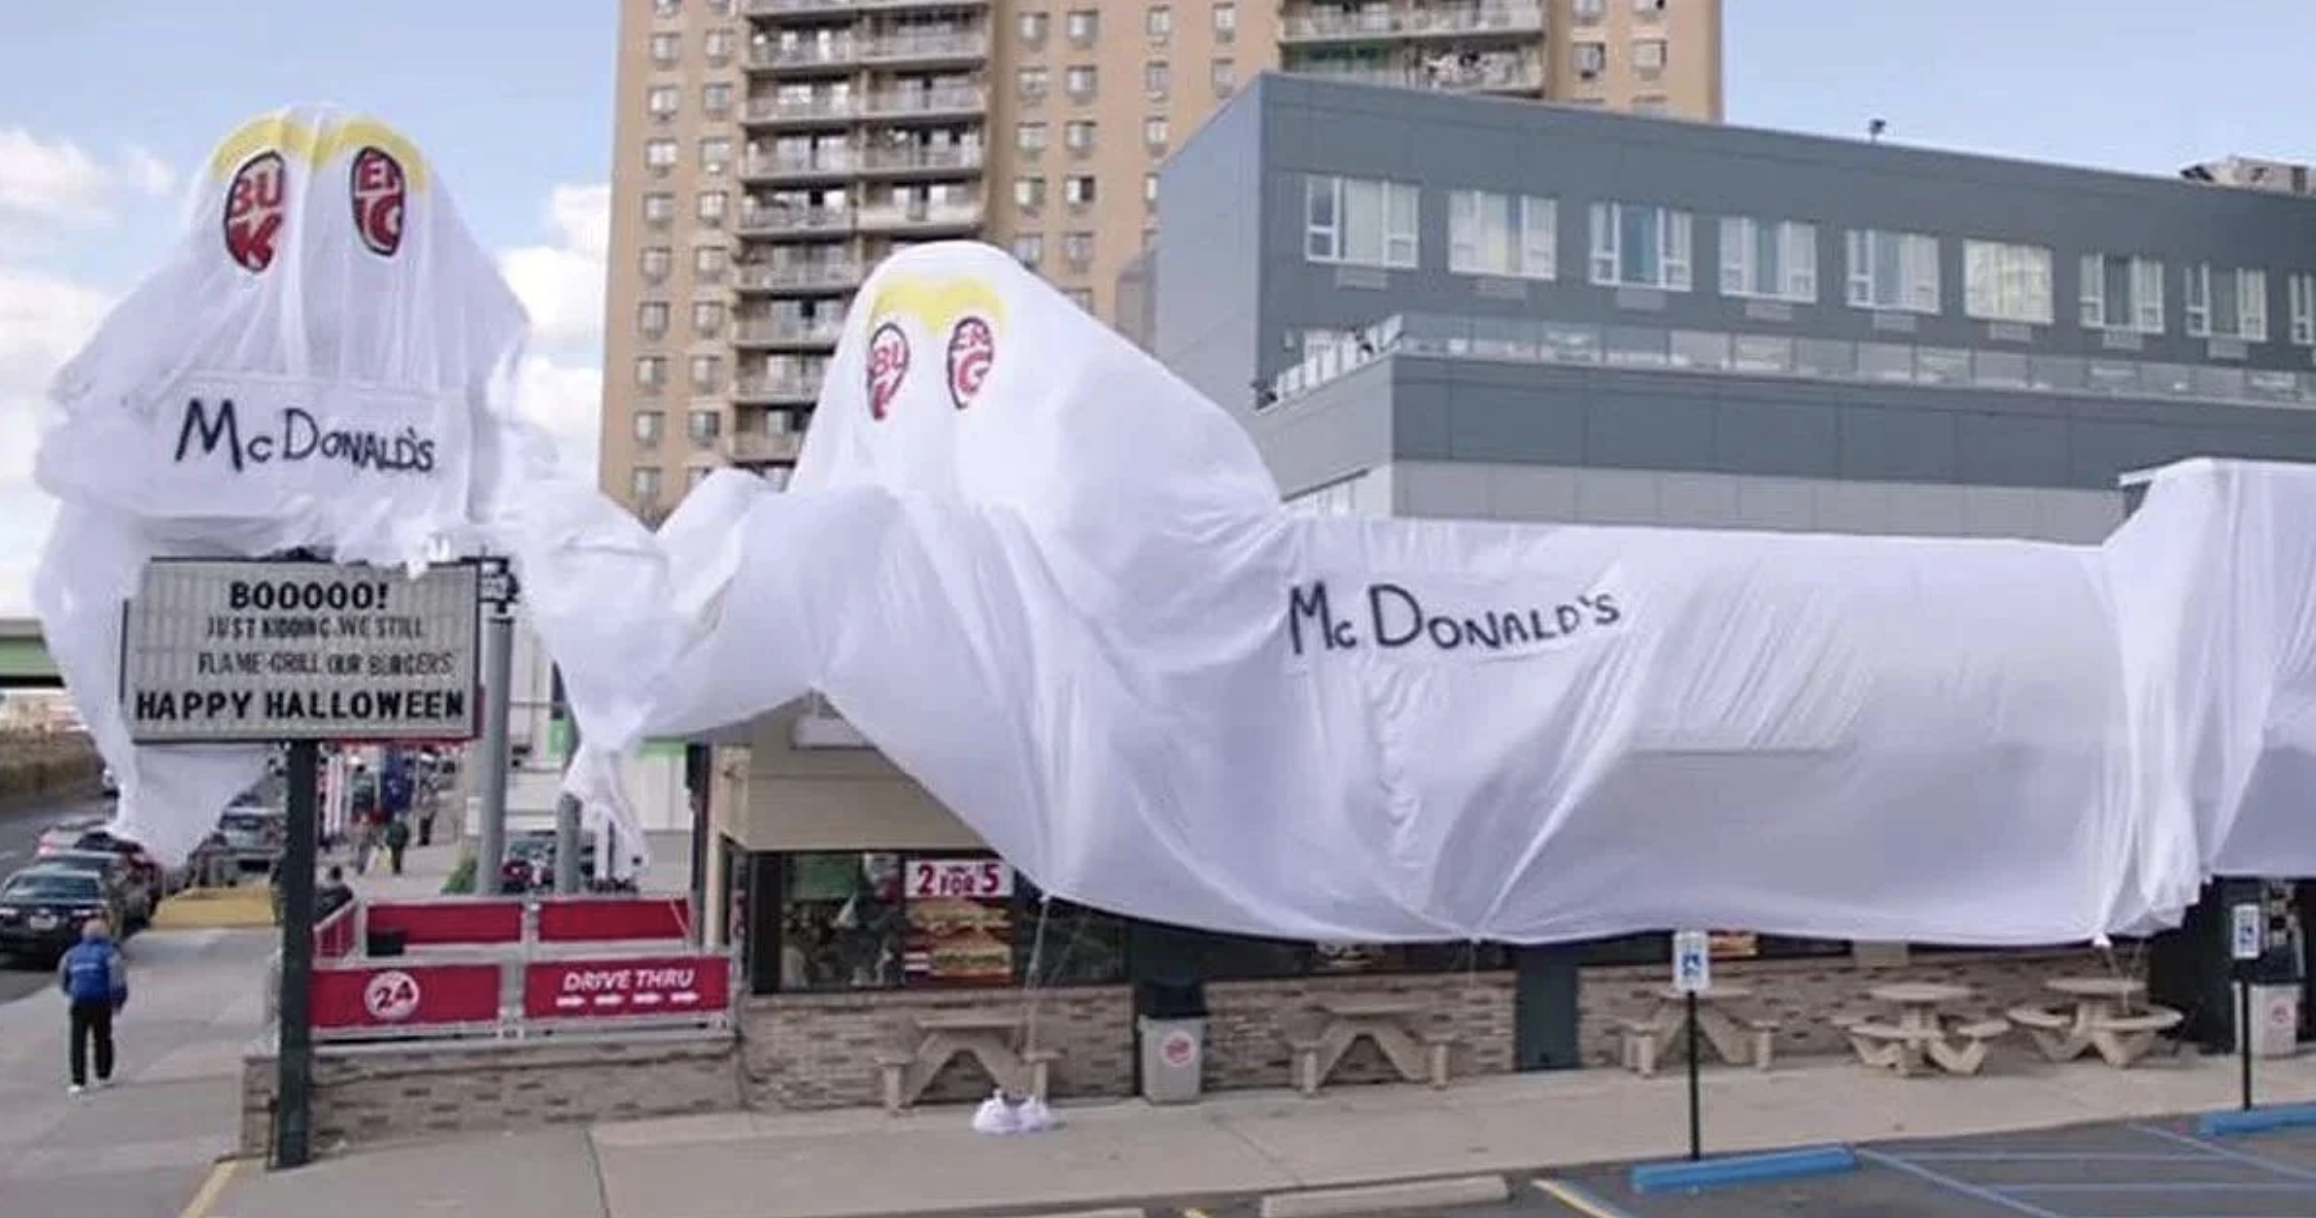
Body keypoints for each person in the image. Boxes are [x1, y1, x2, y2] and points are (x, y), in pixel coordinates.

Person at [56, 918, 128, 1095]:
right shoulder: (109, 953)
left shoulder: (72, 953)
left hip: (79, 1000)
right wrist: (118, 1002)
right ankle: (103, 1074)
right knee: (102, 1037)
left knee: (77, 1040)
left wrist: (69, 991)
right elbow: (117, 980)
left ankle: (78, 1081)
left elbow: (62, 975)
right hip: (101, 1001)